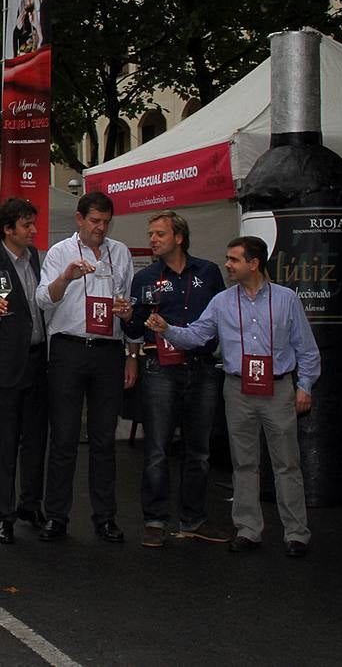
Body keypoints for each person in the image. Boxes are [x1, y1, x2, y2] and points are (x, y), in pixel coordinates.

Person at [147, 236, 320, 557]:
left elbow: (307, 350)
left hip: (278, 387)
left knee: (286, 464)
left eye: (234, 259)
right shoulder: (222, 301)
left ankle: (296, 533)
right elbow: (198, 334)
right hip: (237, 387)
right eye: (227, 258)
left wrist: (304, 386)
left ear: (254, 264)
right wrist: (167, 329)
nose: (227, 264)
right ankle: (248, 530)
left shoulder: (286, 300)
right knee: (243, 463)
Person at [34, 191, 135, 544]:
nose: (100, 228)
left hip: (108, 349)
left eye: (106, 222)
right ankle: (56, 516)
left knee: (104, 439)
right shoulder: (60, 252)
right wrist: (67, 276)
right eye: (94, 221)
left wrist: (126, 313)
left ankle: (105, 517)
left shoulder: (120, 252)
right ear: (79, 219)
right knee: (63, 436)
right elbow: (43, 299)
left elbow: (128, 302)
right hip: (69, 348)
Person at [123, 212, 228, 548]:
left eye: (159, 234)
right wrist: (128, 318)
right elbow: (135, 328)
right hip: (160, 367)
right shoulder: (146, 279)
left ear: (179, 237)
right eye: (150, 234)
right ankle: (154, 519)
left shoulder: (208, 272)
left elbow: (224, 315)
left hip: (201, 366)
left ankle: (194, 518)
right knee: (156, 448)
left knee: (199, 449)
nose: (152, 239)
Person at [0, 197, 48, 544]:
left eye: (33, 224)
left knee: (36, 439)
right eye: (27, 225)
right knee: (6, 442)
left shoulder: (38, 258)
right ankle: (3, 515)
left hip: (38, 360)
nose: (33, 230)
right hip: (6, 367)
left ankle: (30, 505)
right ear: (7, 229)